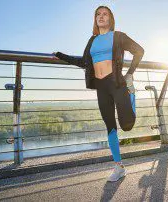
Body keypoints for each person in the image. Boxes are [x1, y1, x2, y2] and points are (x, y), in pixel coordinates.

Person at [52, 5, 144, 182]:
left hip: (117, 83)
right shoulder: (92, 40)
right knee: (110, 126)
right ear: (95, 19)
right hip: (101, 87)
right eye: (98, 14)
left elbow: (139, 51)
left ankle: (131, 94)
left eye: (105, 14)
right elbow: (84, 62)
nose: (101, 17)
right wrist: (61, 55)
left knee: (127, 126)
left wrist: (130, 73)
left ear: (110, 19)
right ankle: (119, 167)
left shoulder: (118, 37)